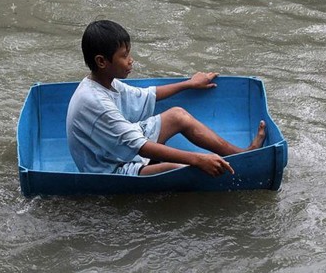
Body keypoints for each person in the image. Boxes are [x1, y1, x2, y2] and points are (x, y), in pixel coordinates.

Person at [66, 20, 266, 177]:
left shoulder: (106, 82)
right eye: (124, 55)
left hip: (116, 148)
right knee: (177, 169)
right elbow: (141, 148)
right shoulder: (95, 102)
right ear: (102, 61)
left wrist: (189, 83)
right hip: (109, 169)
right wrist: (198, 159)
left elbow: (146, 96)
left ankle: (242, 156)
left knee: (177, 115)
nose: (131, 60)